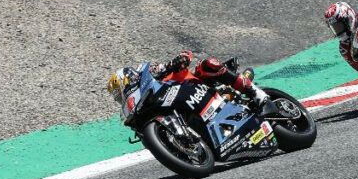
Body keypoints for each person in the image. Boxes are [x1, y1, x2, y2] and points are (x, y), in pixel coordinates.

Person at [108, 51, 273, 114]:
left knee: (207, 65)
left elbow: (185, 55)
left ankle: (255, 92)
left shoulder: (151, 73)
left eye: (122, 92)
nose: (124, 98)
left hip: (197, 87)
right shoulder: (142, 105)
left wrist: (179, 60)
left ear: (130, 78)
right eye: (119, 98)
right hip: (185, 107)